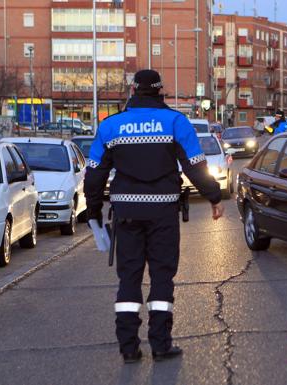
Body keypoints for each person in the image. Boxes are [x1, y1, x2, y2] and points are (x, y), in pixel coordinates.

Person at [84, 69, 224, 364]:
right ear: (161, 91)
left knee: (129, 278)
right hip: (163, 212)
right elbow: (195, 166)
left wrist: (94, 214)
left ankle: (128, 347)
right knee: (162, 277)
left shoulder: (110, 126)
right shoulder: (175, 122)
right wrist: (213, 197)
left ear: (133, 90)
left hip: (126, 214)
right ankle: (160, 344)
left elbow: (94, 176)